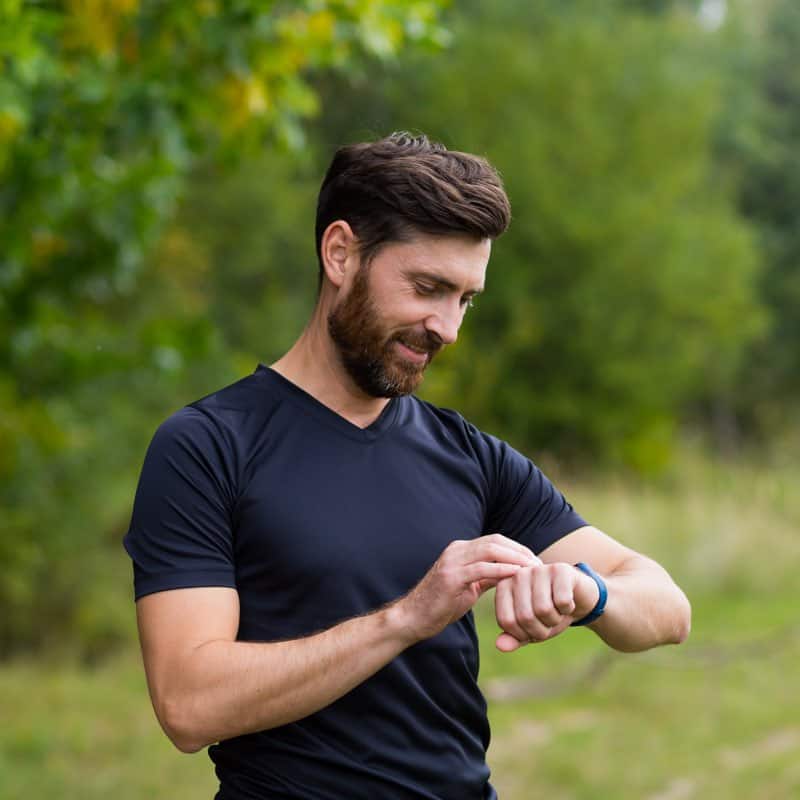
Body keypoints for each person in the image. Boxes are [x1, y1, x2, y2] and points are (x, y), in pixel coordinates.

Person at [124, 132, 691, 799]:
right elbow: (189, 705)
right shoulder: (207, 447)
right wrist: (407, 617)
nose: (447, 327)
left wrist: (587, 591)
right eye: (428, 287)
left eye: (465, 299)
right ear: (341, 253)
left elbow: (667, 606)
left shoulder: (468, 455)